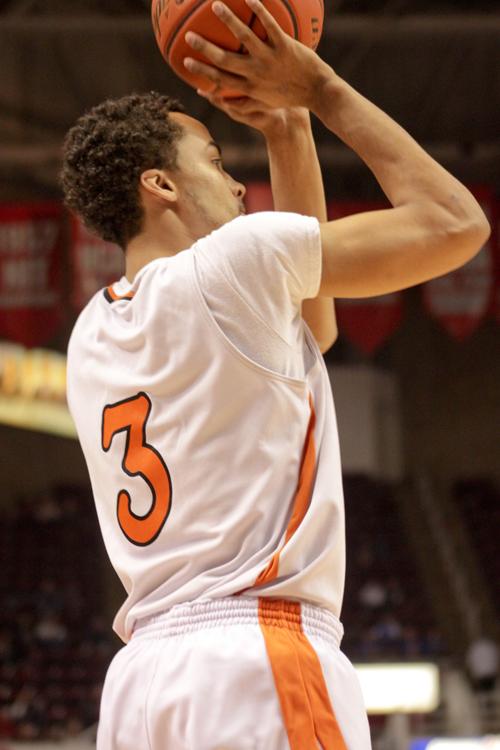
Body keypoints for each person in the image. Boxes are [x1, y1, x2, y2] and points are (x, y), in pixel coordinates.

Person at [61, 0, 489, 747]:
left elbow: (309, 329)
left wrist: (285, 129)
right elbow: (456, 223)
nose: (235, 187)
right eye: (217, 162)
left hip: (140, 690)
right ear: (161, 186)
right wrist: (318, 89)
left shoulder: (92, 332)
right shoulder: (236, 263)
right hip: (256, 661)